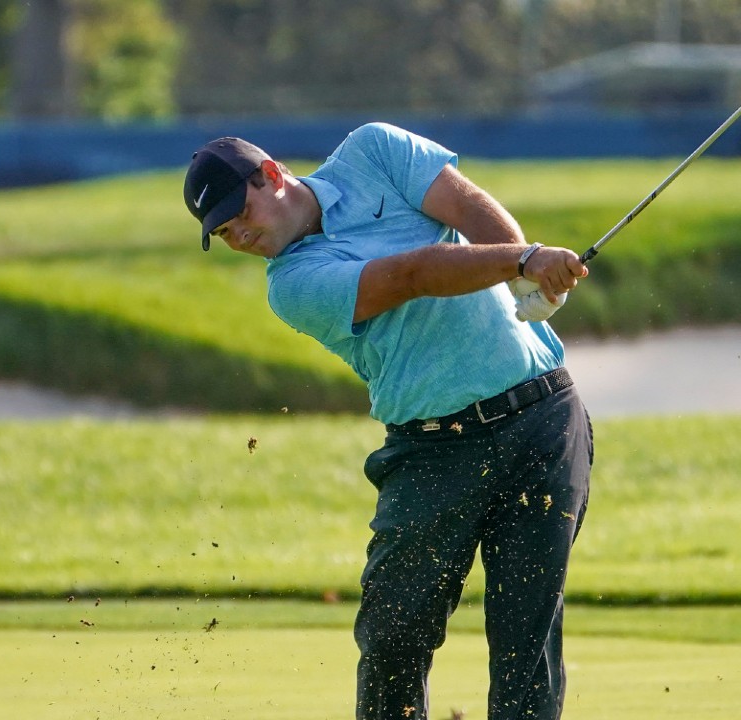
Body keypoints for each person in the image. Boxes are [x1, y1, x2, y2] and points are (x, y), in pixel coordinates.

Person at [183, 122, 593, 720]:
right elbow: (412, 275)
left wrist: (523, 273)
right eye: (223, 233)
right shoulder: (291, 286)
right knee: (393, 637)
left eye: (237, 213)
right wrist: (525, 261)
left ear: (270, 174)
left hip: (544, 419)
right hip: (432, 450)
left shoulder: (374, 150)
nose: (238, 235)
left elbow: (469, 207)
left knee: (525, 633)